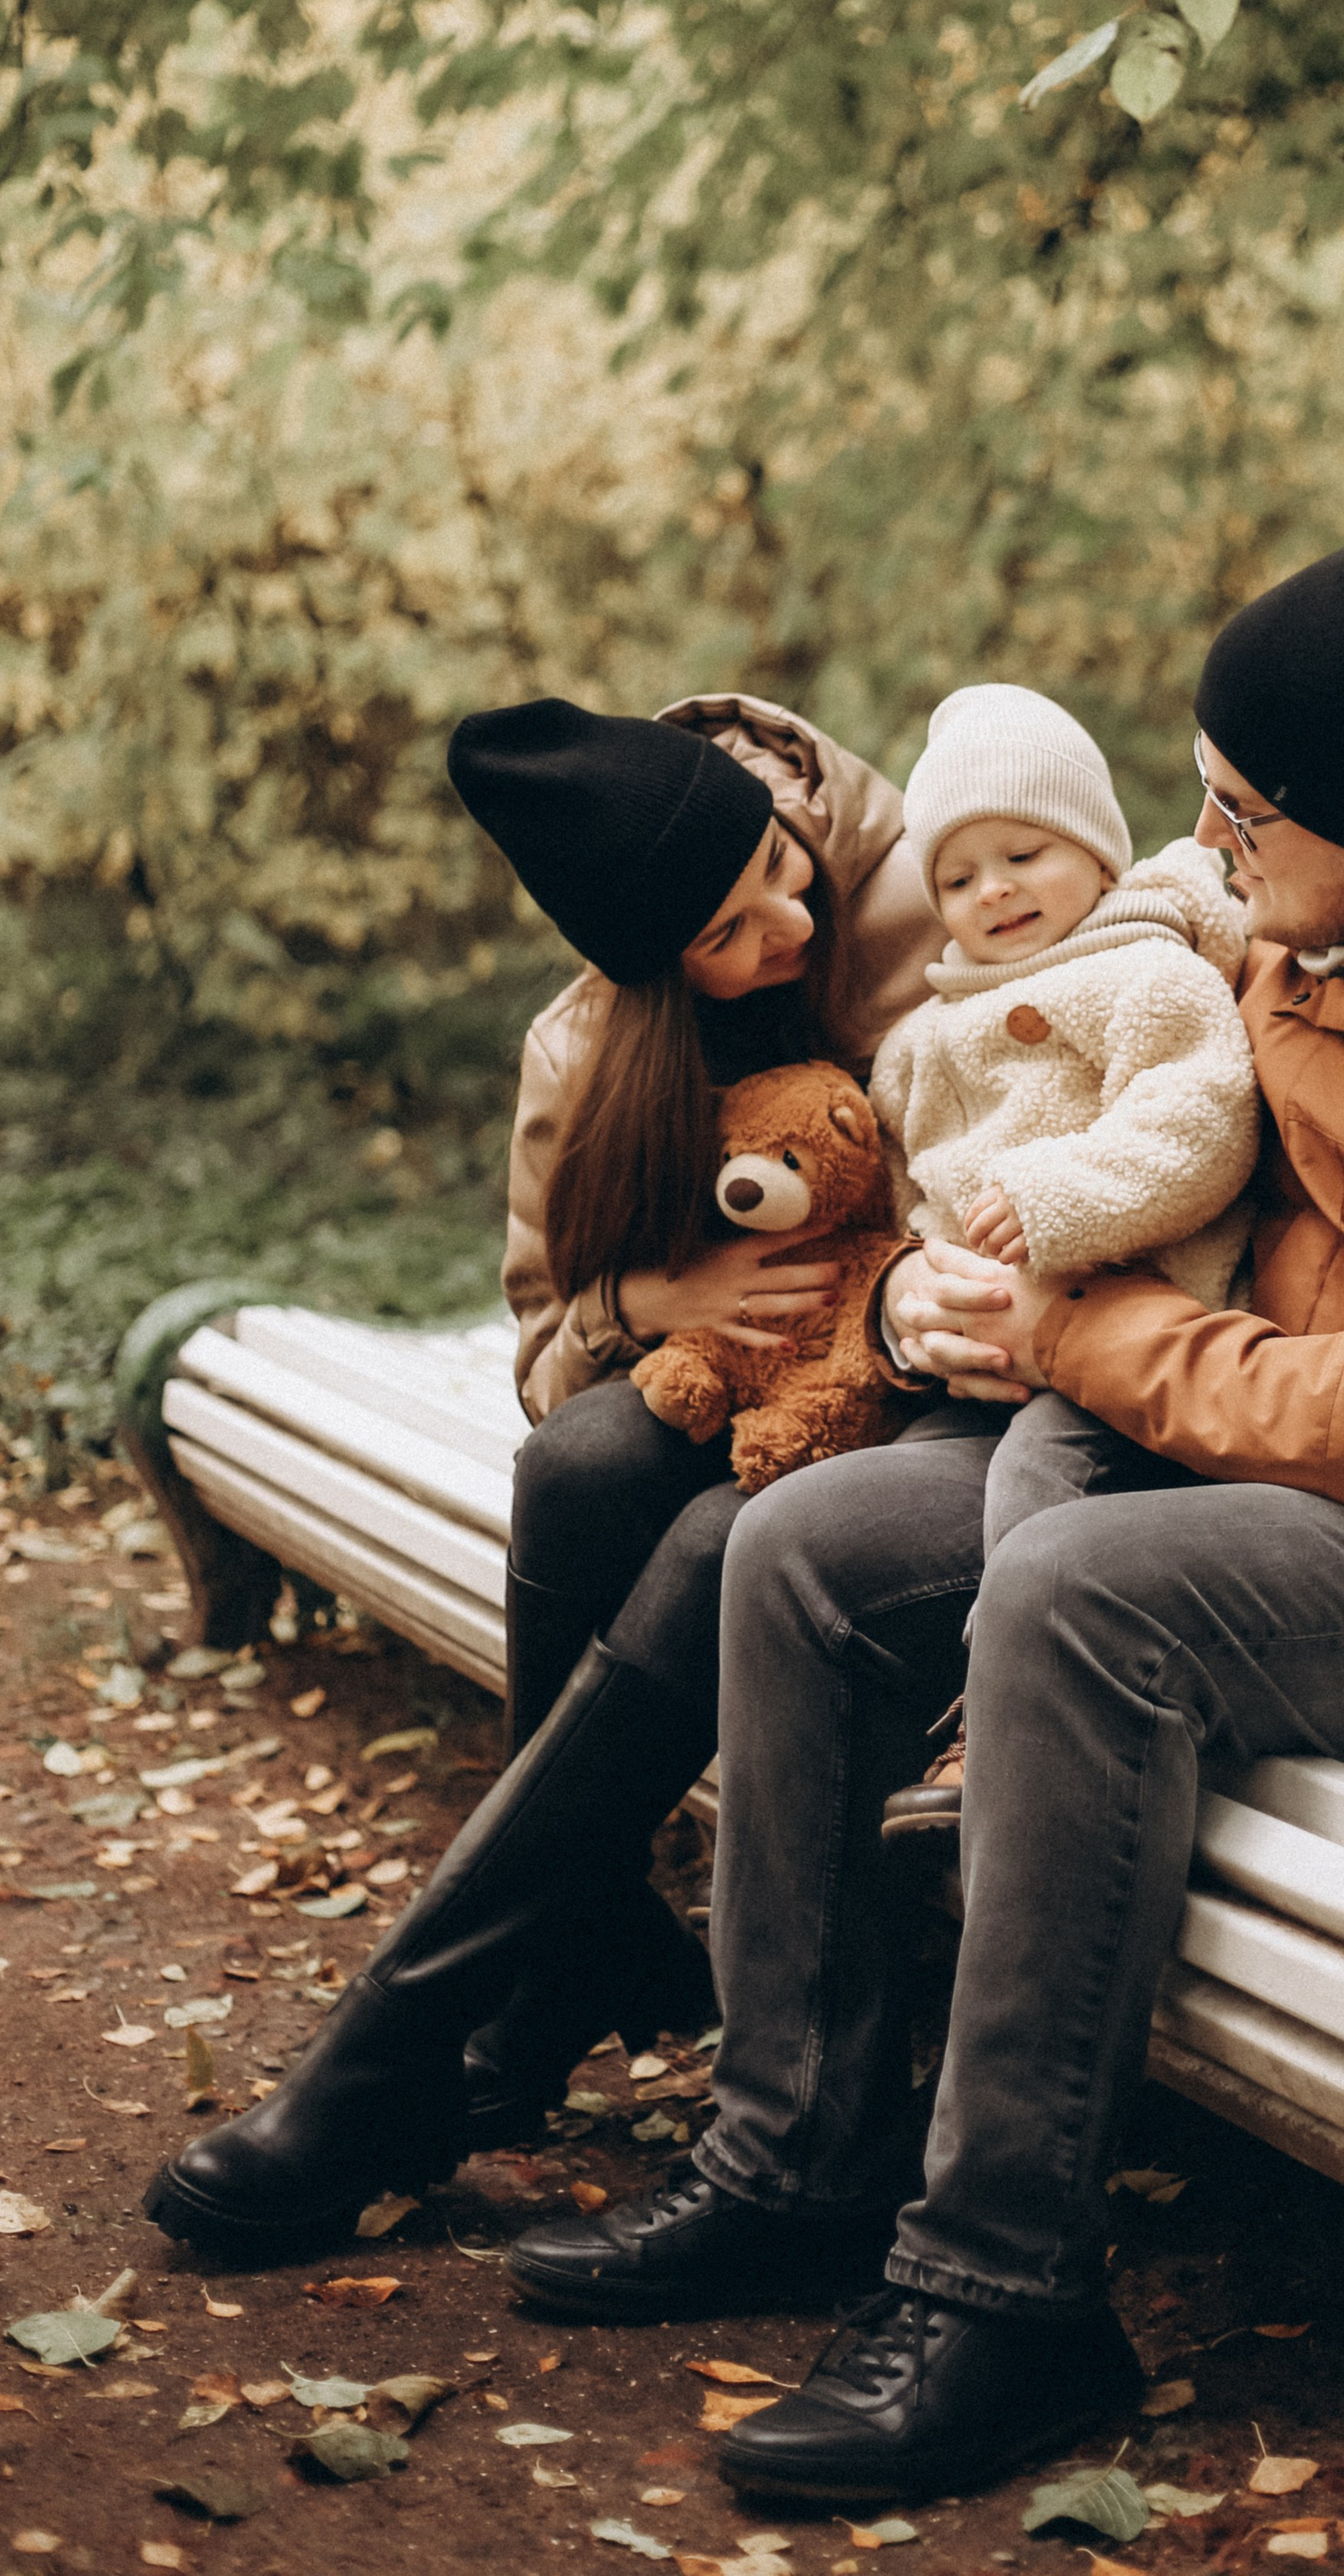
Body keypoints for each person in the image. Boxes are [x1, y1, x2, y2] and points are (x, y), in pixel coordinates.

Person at [493, 516, 1344, 2506]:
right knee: (801, 1550)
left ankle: (1004, 2291)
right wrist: (938, 1279)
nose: (1205, 843)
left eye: (1239, 814)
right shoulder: (1311, 920)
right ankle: (791, 2161)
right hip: (1269, 1468)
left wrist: (1075, 1329)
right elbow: (1106, 1061)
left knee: (1082, 1598)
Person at [143, 689, 949, 2251]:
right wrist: (646, 1301)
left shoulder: (927, 891)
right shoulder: (593, 1045)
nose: (787, 925)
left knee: (725, 1533)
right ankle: (568, 1935)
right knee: (579, 1467)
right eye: (727, 934)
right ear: (648, 970)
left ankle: (413, 2041)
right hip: (743, 1388)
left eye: (780, 874)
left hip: (922, 1394)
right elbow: (543, 1345)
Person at [868, 684, 1260, 1833]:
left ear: (1096, 852)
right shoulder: (927, 1035)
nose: (992, 890)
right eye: (957, 877)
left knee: (1044, 1482)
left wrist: (1054, 1200)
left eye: (1023, 854)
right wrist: (921, 1277)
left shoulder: (1150, 975)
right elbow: (909, 1185)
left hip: (1128, 1341)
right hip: (982, 1359)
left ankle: (999, 1724)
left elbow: (1201, 1129)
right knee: (847, 1495)